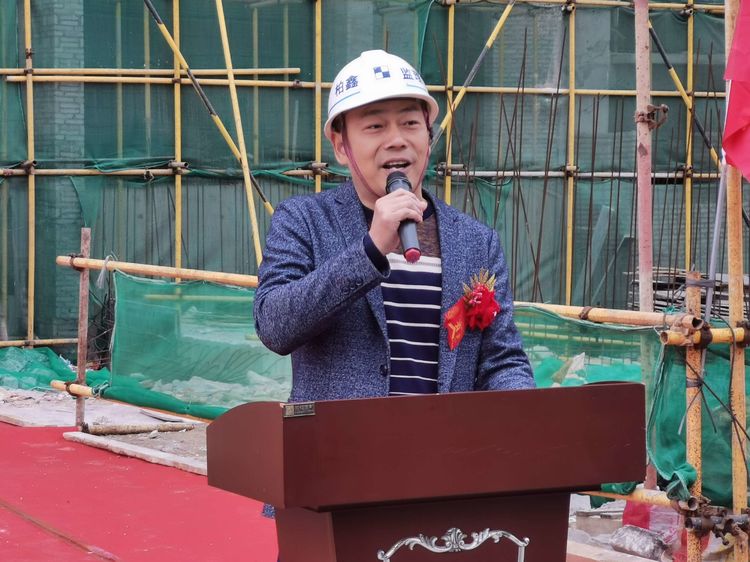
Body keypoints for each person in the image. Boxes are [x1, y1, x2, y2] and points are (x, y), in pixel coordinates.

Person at [254, 49, 534, 404]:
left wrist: (523, 410)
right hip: (338, 439)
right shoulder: (304, 220)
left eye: (410, 123)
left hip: (442, 440)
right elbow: (274, 326)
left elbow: (502, 360)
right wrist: (370, 251)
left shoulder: (476, 240)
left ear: (429, 136)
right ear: (341, 146)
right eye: (375, 126)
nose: (397, 139)